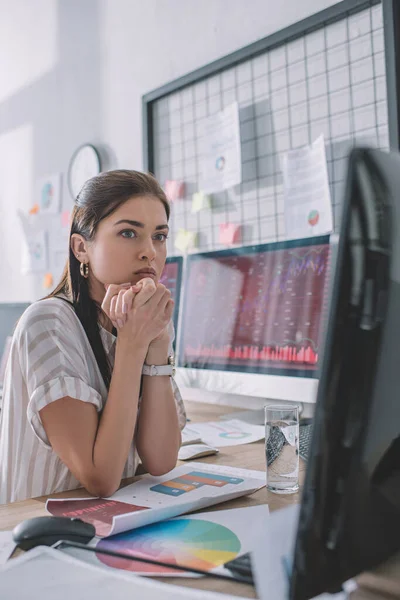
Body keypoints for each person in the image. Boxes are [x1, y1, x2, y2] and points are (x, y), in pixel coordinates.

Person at [0, 170, 186, 505]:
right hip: (45, 537)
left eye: (159, 236)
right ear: (81, 247)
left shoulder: (140, 319)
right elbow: (101, 478)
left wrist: (156, 346)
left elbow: (160, 461)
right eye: (128, 233)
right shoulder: (47, 323)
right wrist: (132, 346)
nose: (150, 252)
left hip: (116, 528)